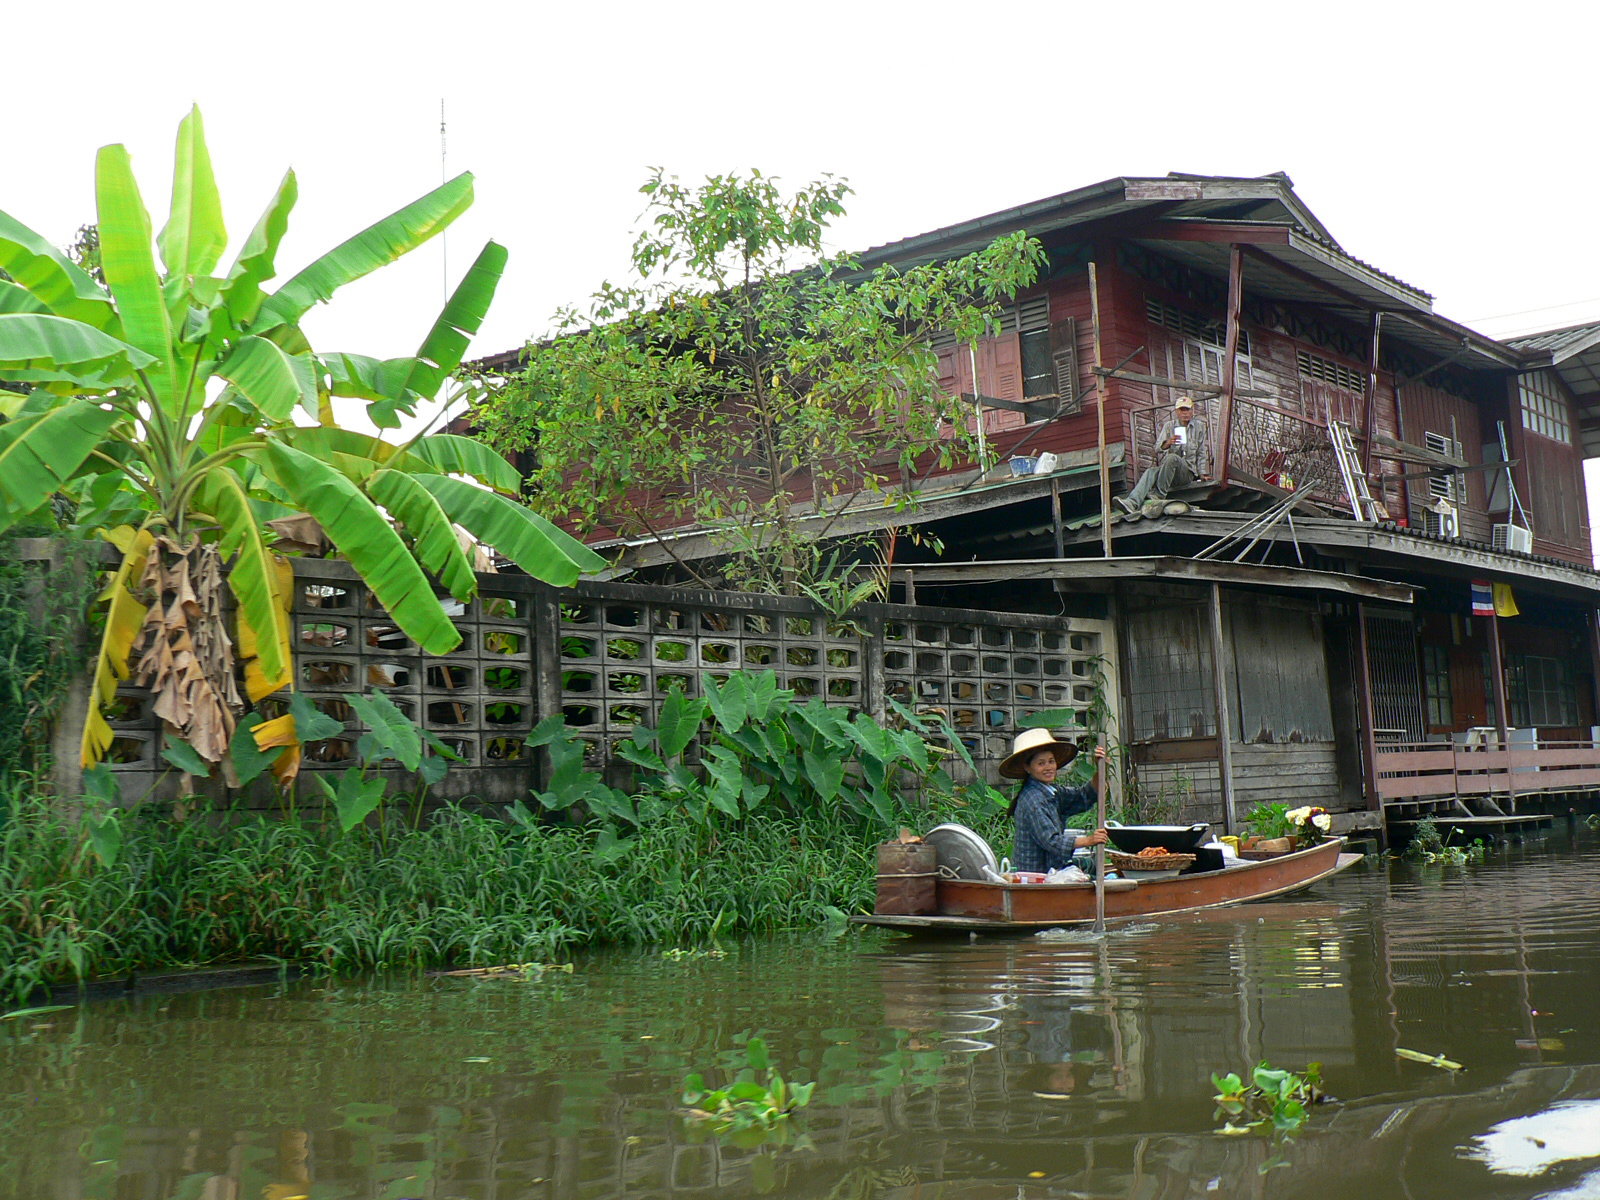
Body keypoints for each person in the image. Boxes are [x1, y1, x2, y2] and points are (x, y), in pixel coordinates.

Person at [1000, 727, 1109, 873]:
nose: (1049, 767)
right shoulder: (1033, 799)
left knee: (1090, 866)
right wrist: (1090, 840)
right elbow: (1051, 841)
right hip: (1036, 875)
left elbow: (1082, 797)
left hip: (1052, 868)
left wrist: (1100, 768)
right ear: (1027, 767)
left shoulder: (1052, 792)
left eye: (1051, 761)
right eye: (1041, 763)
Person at [1116, 394, 1210, 516]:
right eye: (1182, 410)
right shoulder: (1169, 426)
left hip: (1187, 473)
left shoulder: (1199, 427)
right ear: (1177, 412)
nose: (1185, 413)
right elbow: (1157, 448)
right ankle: (1132, 502)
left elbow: (1201, 451)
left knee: (1172, 458)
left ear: (1192, 411)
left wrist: (1202, 473)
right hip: (1169, 474)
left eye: (1188, 409)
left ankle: (1159, 496)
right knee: (1151, 471)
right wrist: (1168, 443)